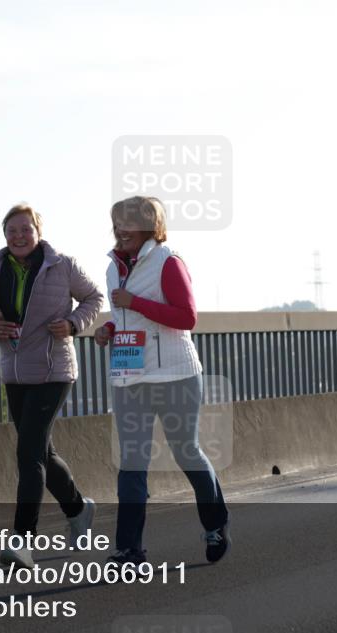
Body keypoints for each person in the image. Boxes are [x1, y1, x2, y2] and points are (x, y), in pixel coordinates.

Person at [95, 196, 230, 565]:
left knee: (187, 452)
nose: (119, 231)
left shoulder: (167, 261)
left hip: (175, 374)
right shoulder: (112, 268)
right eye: (115, 223)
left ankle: (216, 524)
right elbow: (124, 317)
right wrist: (108, 328)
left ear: (148, 225)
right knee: (132, 462)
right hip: (130, 378)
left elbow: (187, 317)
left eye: (126, 223)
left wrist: (134, 302)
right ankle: (129, 550)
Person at [0, 203, 103, 568]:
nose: (19, 235)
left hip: (54, 370)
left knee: (28, 454)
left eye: (26, 229)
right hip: (15, 371)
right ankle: (78, 509)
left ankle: (23, 541)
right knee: (41, 452)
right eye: (12, 230)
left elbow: (94, 298)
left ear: (38, 232)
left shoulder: (62, 265)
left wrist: (74, 324)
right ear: (5, 235)